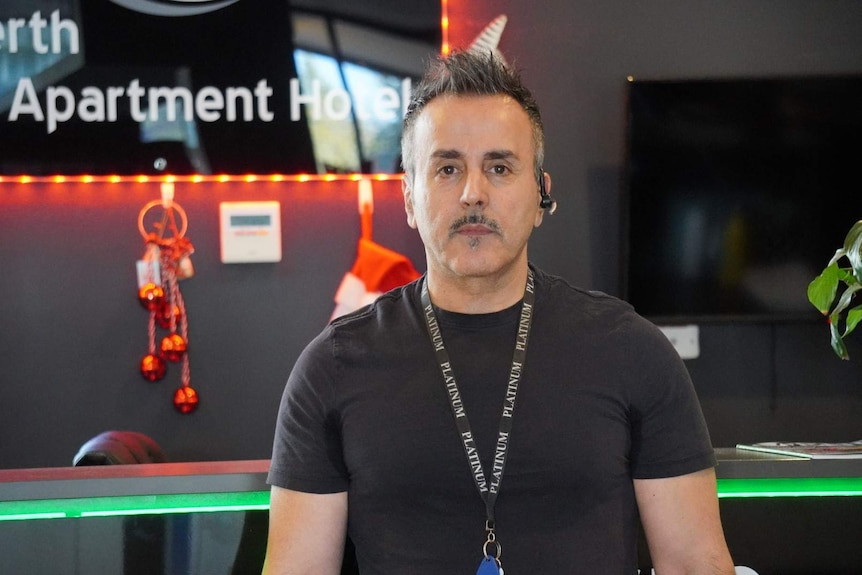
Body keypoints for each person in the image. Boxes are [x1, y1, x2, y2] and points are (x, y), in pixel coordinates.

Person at [263, 49, 735, 574]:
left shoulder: (632, 350)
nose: (473, 194)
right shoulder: (331, 367)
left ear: (541, 196)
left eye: (500, 167)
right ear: (409, 199)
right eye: (447, 168)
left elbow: (696, 565)